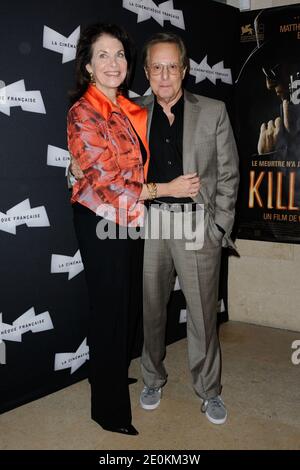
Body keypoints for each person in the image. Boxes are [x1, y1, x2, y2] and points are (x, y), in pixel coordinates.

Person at [67, 24, 199, 436]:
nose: (113, 63)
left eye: (119, 55)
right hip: (101, 218)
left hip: (133, 218)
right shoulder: (83, 112)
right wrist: (167, 189)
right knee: (108, 309)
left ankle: (107, 371)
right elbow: (107, 181)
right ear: (88, 66)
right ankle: (107, 410)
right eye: (102, 55)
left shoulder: (129, 108)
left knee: (127, 307)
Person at [135, 32, 239, 425]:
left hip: (198, 225)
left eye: (172, 66)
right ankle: (151, 378)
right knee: (151, 312)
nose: (164, 75)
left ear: (185, 69)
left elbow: (229, 174)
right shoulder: (130, 111)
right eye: (156, 67)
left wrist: (219, 226)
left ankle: (209, 390)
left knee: (201, 316)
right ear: (146, 72)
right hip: (150, 226)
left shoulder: (212, 110)